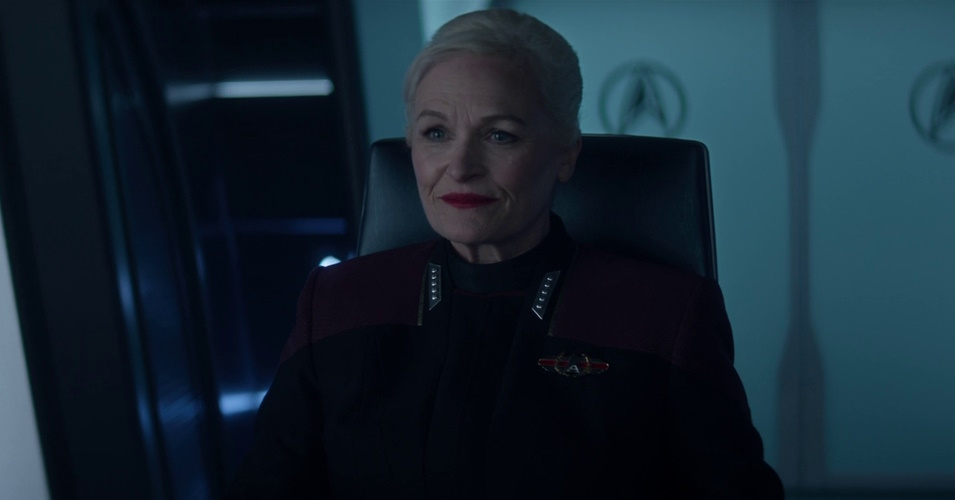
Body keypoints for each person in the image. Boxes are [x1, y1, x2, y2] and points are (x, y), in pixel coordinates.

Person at [227, 8, 783, 499]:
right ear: (410, 146)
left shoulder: (665, 315)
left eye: (500, 136)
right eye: (436, 133)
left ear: (565, 155)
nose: (460, 166)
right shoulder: (336, 302)